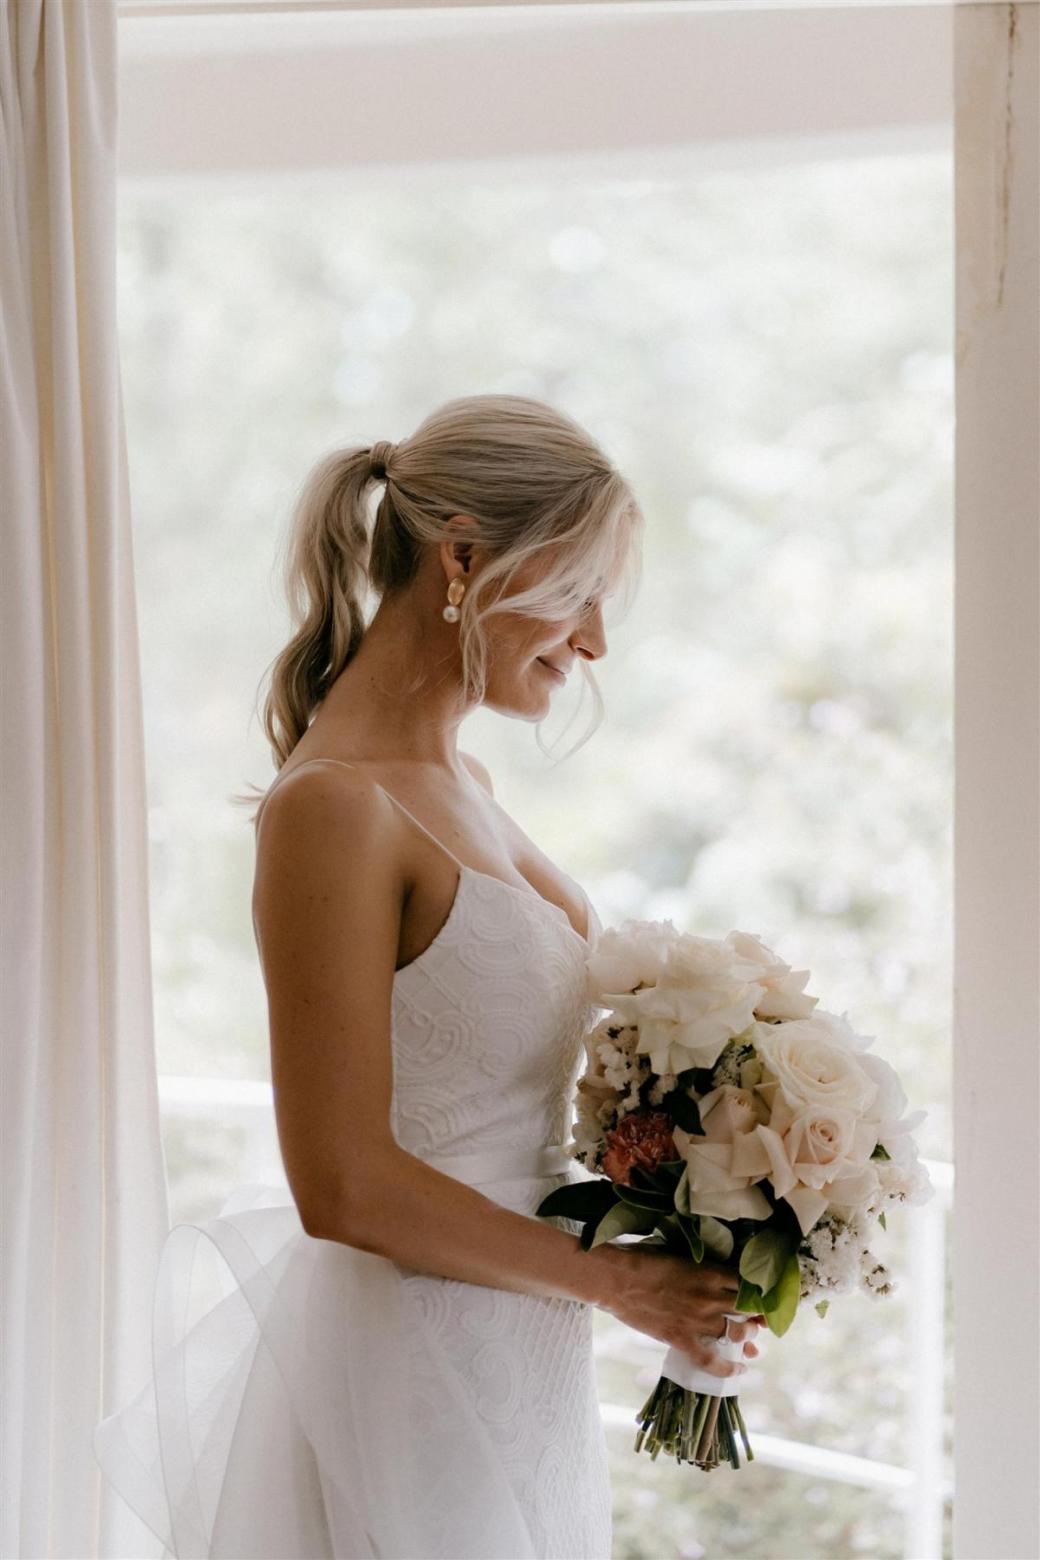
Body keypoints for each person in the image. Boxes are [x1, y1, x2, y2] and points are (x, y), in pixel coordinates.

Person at [93, 393, 761, 1560]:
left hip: (520, 1347)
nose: (595, 639)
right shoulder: (333, 807)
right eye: (577, 590)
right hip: (411, 1361)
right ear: (462, 557)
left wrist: (691, 1205)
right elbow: (342, 1183)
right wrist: (623, 1285)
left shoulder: (466, 786)